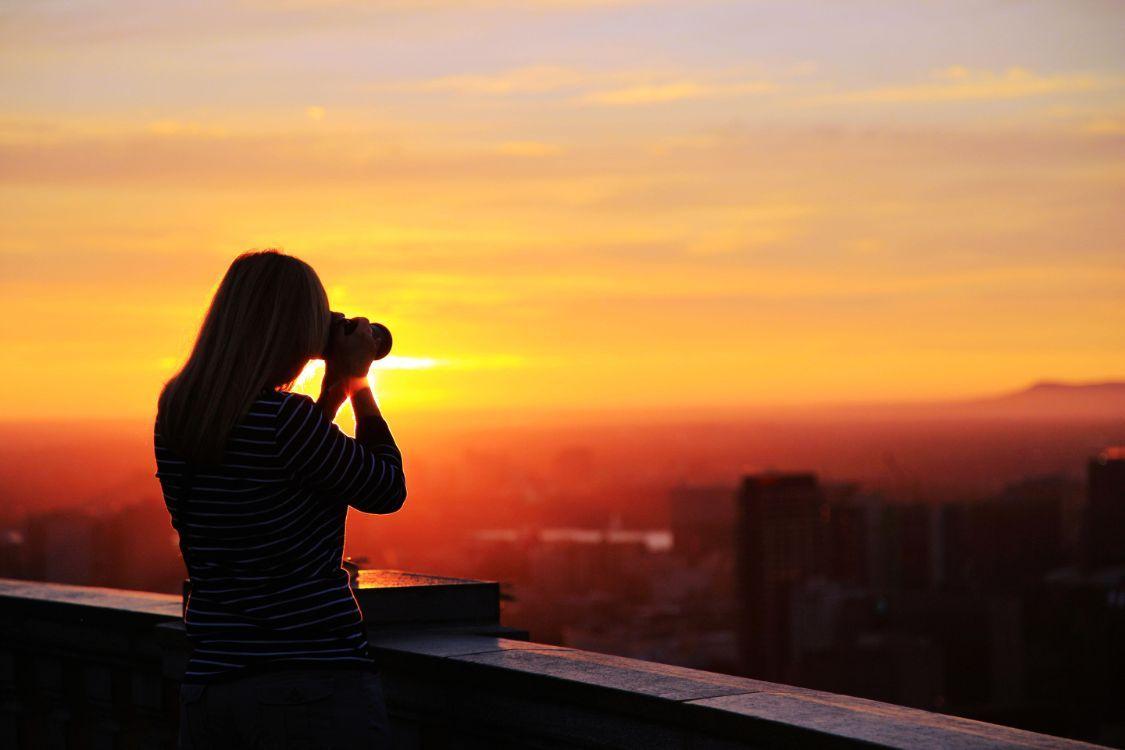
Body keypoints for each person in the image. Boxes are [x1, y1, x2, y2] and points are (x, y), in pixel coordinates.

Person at [154, 250, 406, 749]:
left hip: (212, 685)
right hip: (307, 684)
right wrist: (358, 385)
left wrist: (329, 393)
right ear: (291, 330)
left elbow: (290, 463)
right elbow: (386, 488)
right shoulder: (283, 421)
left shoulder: (179, 410)